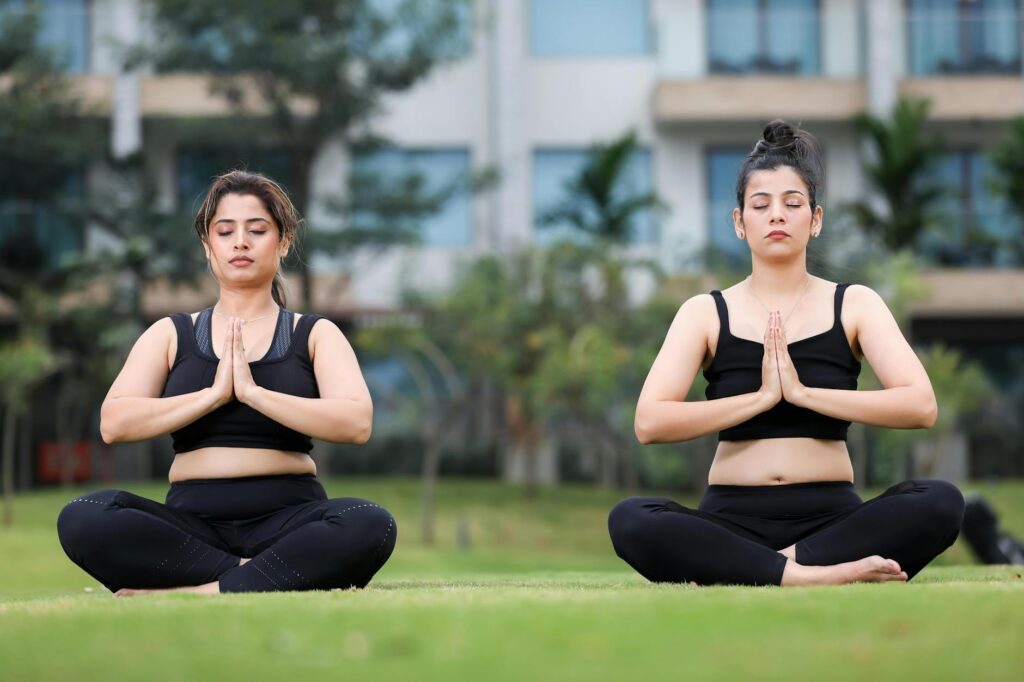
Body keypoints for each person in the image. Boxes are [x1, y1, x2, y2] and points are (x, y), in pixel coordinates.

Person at [608, 121, 964, 586]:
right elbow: (650, 422)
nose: (777, 215)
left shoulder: (854, 304)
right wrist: (758, 399)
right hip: (730, 519)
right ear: (740, 222)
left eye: (792, 204)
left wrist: (802, 394)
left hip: (831, 519)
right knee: (631, 518)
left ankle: (763, 568)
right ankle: (811, 574)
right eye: (761, 205)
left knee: (941, 501)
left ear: (815, 220)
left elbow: (921, 406)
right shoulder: (705, 312)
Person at [57, 170, 396, 595]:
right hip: (193, 530)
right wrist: (212, 396)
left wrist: (253, 394)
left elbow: (356, 422)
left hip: (288, 521)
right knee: (84, 514)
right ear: (207, 245)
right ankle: (258, 575)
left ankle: (203, 590)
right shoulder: (170, 333)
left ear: (284, 242)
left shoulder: (315, 334)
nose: (241, 242)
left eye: (257, 230)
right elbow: (115, 423)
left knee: (370, 522)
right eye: (225, 231)